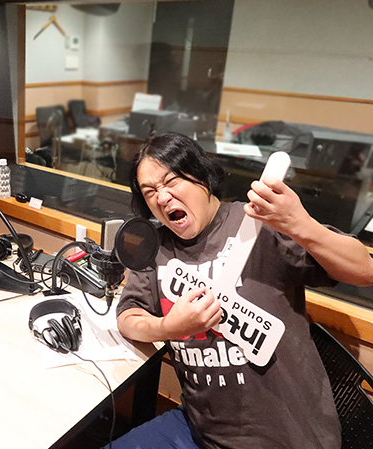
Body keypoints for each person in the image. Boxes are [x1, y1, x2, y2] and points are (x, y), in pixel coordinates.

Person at [111, 132, 373, 449]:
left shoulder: (258, 223)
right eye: (150, 192)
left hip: (287, 438)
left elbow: (365, 270)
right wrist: (169, 327)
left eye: (171, 181)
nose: (162, 197)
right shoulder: (158, 248)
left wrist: (299, 223)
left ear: (201, 175)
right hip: (200, 430)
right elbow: (129, 316)